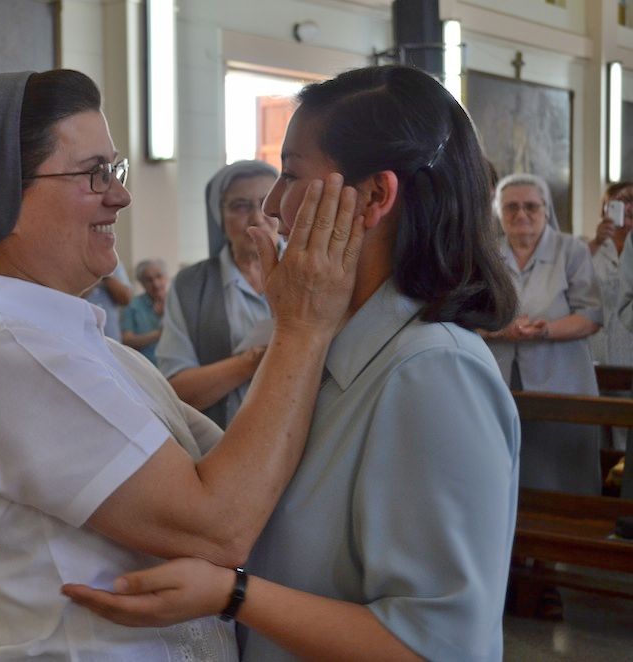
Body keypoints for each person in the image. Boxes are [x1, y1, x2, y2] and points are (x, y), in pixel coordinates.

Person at [0, 69, 367, 659]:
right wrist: (302, 327)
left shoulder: (88, 346)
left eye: (115, 169)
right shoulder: (7, 354)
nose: (120, 195)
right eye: (93, 174)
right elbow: (220, 526)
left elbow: (245, 475)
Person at [63, 64, 521, 662]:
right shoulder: (336, 350)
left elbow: (437, 646)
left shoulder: (434, 371)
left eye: (291, 174)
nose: (274, 206)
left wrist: (234, 595)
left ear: (375, 197)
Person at [483, 173, 603, 495]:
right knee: (507, 472)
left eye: (531, 206)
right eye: (511, 207)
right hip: (501, 380)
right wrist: (501, 329)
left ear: (546, 210)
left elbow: (591, 316)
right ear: (498, 212)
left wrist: (545, 330)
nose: (521, 214)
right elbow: (470, 315)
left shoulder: (571, 250)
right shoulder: (488, 254)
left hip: (563, 380)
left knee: (565, 475)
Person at [157, 160, 279, 427]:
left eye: (267, 203)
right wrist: (251, 361)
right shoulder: (190, 285)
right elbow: (176, 390)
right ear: (219, 217)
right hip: (222, 439)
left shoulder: (311, 272)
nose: (257, 218)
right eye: (240, 206)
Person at [588, 182, 633, 370]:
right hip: (595, 347)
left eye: (631, 202)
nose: (627, 209)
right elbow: (568, 277)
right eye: (618, 204)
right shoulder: (589, 249)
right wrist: (596, 243)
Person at [121, 258, 168, 364]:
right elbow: (127, 341)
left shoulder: (177, 302)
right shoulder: (133, 306)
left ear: (166, 278)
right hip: (145, 366)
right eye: (149, 280)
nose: (155, 284)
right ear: (141, 283)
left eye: (159, 276)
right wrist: (159, 334)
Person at [84, 262, 133, 341]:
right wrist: (95, 274)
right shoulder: (75, 262)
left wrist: (106, 275)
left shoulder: (115, 263)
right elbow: (74, 295)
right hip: (84, 338)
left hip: (111, 337)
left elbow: (126, 299)